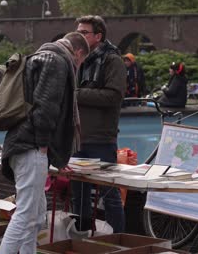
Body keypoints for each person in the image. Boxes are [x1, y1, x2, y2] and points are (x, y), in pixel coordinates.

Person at [0, 32, 89, 254]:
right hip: (31, 147)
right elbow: (46, 107)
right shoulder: (58, 62)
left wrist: (55, 158)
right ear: (77, 53)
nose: (78, 66)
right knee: (25, 215)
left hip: (20, 142)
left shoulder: (38, 57)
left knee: (36, 217)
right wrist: (43, 145)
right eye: (80, 61)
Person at [72, 15, 126, 233]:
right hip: (78, 137)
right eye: (78, 31)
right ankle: (82, 236)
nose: (79, 36)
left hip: (101, 138)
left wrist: (77, 94)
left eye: (83, 32)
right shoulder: (80, 60)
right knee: (79, 194)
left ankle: (118, 241)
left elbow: (113, 97)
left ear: (98, 36)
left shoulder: (112, 61)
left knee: (109, 193)